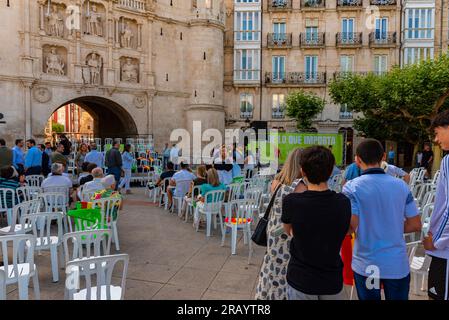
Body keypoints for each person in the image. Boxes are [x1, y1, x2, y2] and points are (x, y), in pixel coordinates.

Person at [343, 139, 421, 300]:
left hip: (367, 264)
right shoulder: (401, 186)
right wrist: (391, 225)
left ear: (357, 159)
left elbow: (351, 225)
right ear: (384, 156)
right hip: (396, 264)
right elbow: (415, 224)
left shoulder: (351, 187)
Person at [280, 146, 351, 300]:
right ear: (332, 171)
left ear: (303, 171)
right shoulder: (343, 202)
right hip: (331, 279)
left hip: (301, 278)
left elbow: (289, 230)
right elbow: (346, 230)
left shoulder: (291, 201)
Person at [255, 148, 307, 300]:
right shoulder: (300, 187)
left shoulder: (276, 182)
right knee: (287, 271)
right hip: (288, 233)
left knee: (272, 268)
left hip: (273, 232)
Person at [423, 110, 449, 300]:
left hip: (445, 250)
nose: (436, 139)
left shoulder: (448, 161)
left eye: (437, 132)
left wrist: (436, 239)